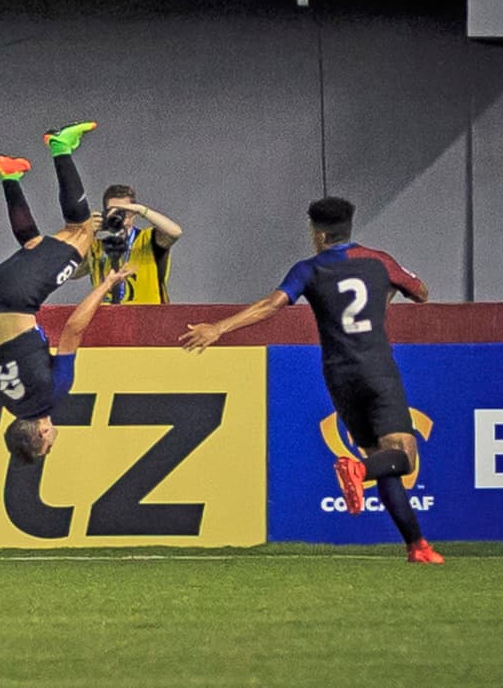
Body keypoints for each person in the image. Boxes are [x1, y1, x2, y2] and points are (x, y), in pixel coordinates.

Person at [179, 196, 443, 564]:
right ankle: (362, 475)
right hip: (378, 368)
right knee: (401, 456)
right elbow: (422, 293)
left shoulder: (309, 269)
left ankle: (417, 546)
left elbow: (271, 305)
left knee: (382, 457)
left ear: (317, 234)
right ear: (349, 227)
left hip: (338, 375)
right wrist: (385, 292)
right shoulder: (380, 261)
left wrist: (219, 328)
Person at [0, 121, 132, 463]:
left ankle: (61, 147)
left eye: (49, 445)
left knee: (81, 233)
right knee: (36, 244)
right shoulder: (7, 397)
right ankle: (9, 176)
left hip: (18, 296)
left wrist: (104, 285)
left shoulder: (50, 397)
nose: (53, 440)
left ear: (41, 433)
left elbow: (73, 330)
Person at [75, 183, 183, 304]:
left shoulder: (148, 239)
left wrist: (140, 210)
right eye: (113, 211)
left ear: (133, 214)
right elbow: (72, 273)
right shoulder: (96, 247)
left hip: (146, 318)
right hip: (107, 319)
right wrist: (86, 234)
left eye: (125, 212)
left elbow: (175, 232)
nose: (120, 217)